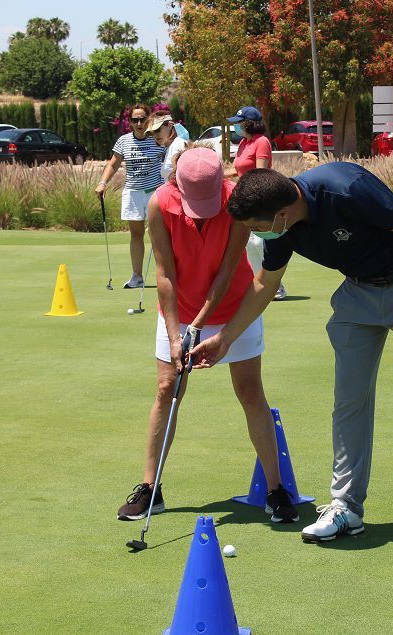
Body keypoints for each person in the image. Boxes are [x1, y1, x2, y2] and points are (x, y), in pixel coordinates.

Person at [192, 161, 393, 548]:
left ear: (282, 214)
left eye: (256, 227)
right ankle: (346, 506)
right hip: (358, 291)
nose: (254, 235)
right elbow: (266, 284)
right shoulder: (281, 229)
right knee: (348, 401)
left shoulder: (345, 188)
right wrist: (225, 340)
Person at [116, 147, 299, 525]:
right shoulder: (159, 204)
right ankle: (151, 488)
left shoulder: (236, 202)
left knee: (250, 391)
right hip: (177, 312)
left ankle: (276, 490)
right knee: (167, 388)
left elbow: (228, 271)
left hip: (233, 308)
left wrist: (199, 324)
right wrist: (174, 335)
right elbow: (164, 274)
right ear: (177, 185)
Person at [96, 103, 165, 290]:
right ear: (130, 122)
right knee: (136, 234)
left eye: (143, 119)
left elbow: (172, 159)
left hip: (155, 192)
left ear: (148, 119)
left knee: (158, 235)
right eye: (135, 120)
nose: (139, 123)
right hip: (133, 192)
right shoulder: (124, 141)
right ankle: (137, 276)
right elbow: (113, 164)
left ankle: (164, 274)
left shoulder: (157, 139)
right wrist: (103, 183)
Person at [227, 105, 288, 302]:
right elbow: (239, 171)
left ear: (248, 123)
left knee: (260, 243)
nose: (235, 127)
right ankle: (260, 284)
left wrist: (251, 196)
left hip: (258, 199)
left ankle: (275, 286)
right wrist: (218, 175)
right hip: (244, 198)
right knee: (249, 244)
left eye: (238, 123)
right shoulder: (244, 143)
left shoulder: (261, 142)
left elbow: (260, 174)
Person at [147, 112, 188, 181]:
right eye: (151, 133)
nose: (155, 135)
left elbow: (183, 178)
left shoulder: (178, 144)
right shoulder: (172, 146)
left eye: (157, 130)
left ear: (169, 125)